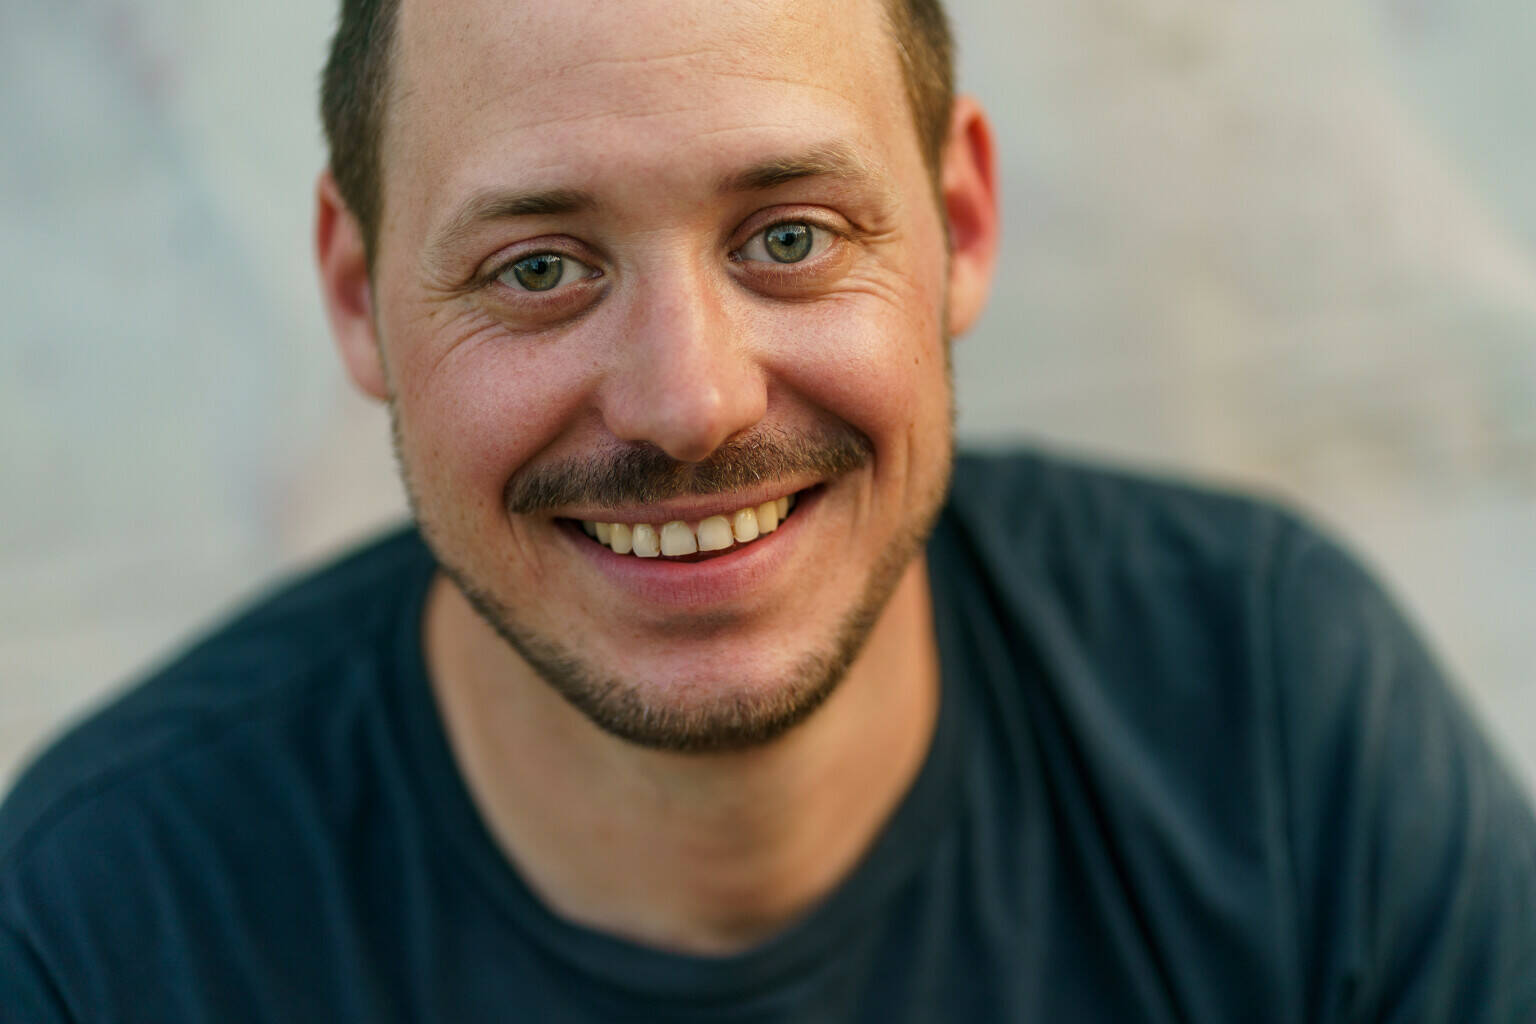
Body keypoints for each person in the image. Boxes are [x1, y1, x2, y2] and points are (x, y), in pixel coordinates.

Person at [3, 0, 1533, 1019]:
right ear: (357, 296)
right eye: (539, 267)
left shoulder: (1272, 720)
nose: (690, 402)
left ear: (958, 225)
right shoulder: (106, 934)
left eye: (788, 237)